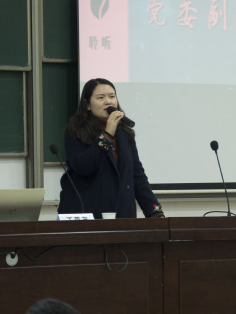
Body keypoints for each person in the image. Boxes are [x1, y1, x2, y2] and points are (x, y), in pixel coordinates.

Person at [58, 78, 164, 219]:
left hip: (122, 214)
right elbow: (84, 167)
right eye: (101, 98)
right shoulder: (75, 131)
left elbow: (136, 174)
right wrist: (107, 134)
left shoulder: (124, 133)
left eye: (112, 96)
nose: (108, 101)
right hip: (88, 213)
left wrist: (155, 211)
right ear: (87, 105)